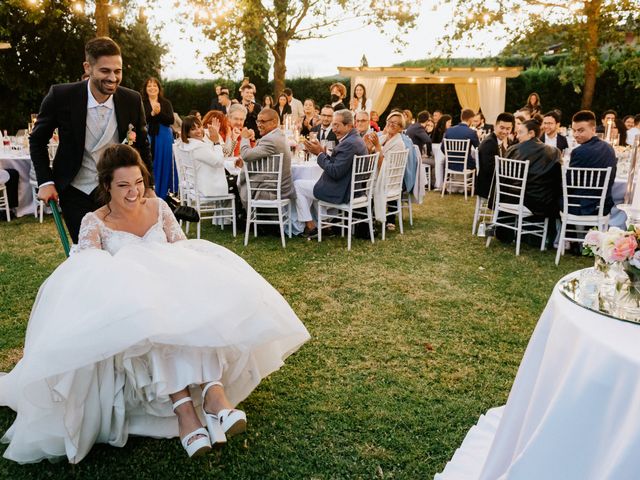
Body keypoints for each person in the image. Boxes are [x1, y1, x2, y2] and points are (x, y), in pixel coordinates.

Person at [0, 144, 310, 464]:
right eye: (123, 185)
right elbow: (86, 270)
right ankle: (186, 410)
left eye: (138, 182)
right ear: (107, 186)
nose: (133, 192)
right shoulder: (96, 221)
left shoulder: (159, 206)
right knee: (157, 320)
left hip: (171, 285)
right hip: (130, 298)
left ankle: (213, 394)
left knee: (193, 306)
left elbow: (181, 248)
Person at [29, 36, 151, 243]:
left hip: (119, 193)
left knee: (123, 249)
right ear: (88, 67)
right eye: (105, 71)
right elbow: (37, 140)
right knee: (89, 252)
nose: (112, 78)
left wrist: (148, 186)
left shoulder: (132, 99)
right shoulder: (61, 96)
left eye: (117, 71)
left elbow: (142, 146)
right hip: (76, 192)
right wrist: (46, 181)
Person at [294, 109, 368, 237]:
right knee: (312, 182)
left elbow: (335, 172)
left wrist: (319, 154)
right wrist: (324, 153)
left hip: (341, 191)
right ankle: (325, 225)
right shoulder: (356, 139)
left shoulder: (349, 144)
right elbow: (339, 164)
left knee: (297, 185)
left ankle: (310, 226)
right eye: (333, 125)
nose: (333, 129)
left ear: (349, 126)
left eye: (336, 125)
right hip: (351, 188)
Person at [505, 119, 562, 218]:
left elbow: (503, 177)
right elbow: (558, 180)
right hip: (540, 202)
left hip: (512, 197)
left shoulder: (513, 149)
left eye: (520, 132)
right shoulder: (554, 152)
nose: (517, 136)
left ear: (531, 133)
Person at [237, 108, 292, 208]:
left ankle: (241, 216)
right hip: (278, 187)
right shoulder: (278, 135)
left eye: (262, 121)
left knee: (234, 182)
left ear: (274, 122)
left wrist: (244, 138)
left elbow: (246, 155)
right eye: (257, 121)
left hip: (271, 190)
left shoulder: (271, 139)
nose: (258, 124)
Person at [569, 110, 617, 215]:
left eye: (581, 130)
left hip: (581, 206)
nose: (576, 134)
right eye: (574, 130)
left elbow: (570, 184)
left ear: (593, 129)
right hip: (604, 205)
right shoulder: (609, 148)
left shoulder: (578, 152)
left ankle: (560, 231)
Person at [177, 115, 228, 197]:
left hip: (195, 184)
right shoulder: (198, 147)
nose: (198, 131)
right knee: (236, 183)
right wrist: (216, 141)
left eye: (199, 127)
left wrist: (214, 139)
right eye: (193, 129)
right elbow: (219, 162)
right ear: (187, 133)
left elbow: (210, 156)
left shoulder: (186, 145)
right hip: (209, 187)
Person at [142, 77, 176, 199]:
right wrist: (152, 114)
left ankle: (164, 194)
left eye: (155, 85)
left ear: (159, 88)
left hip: (164, 137)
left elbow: (170, 120)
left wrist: (159, 113)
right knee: (150, 162)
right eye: (149, 85)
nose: (152, 88)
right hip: (148, 136)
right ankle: (150, 192)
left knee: (164, 163)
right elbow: (142, 119)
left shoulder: (166, 103)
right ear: (146, 89)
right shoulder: (142, 102)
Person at [476, 112, 514, 200]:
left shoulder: (505, 141)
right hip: (489, 187)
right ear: (495, 126)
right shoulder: (489, 143)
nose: (505, 131)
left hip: (496, 183)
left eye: (508, 128)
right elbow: (490, 169)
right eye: (502, 128)